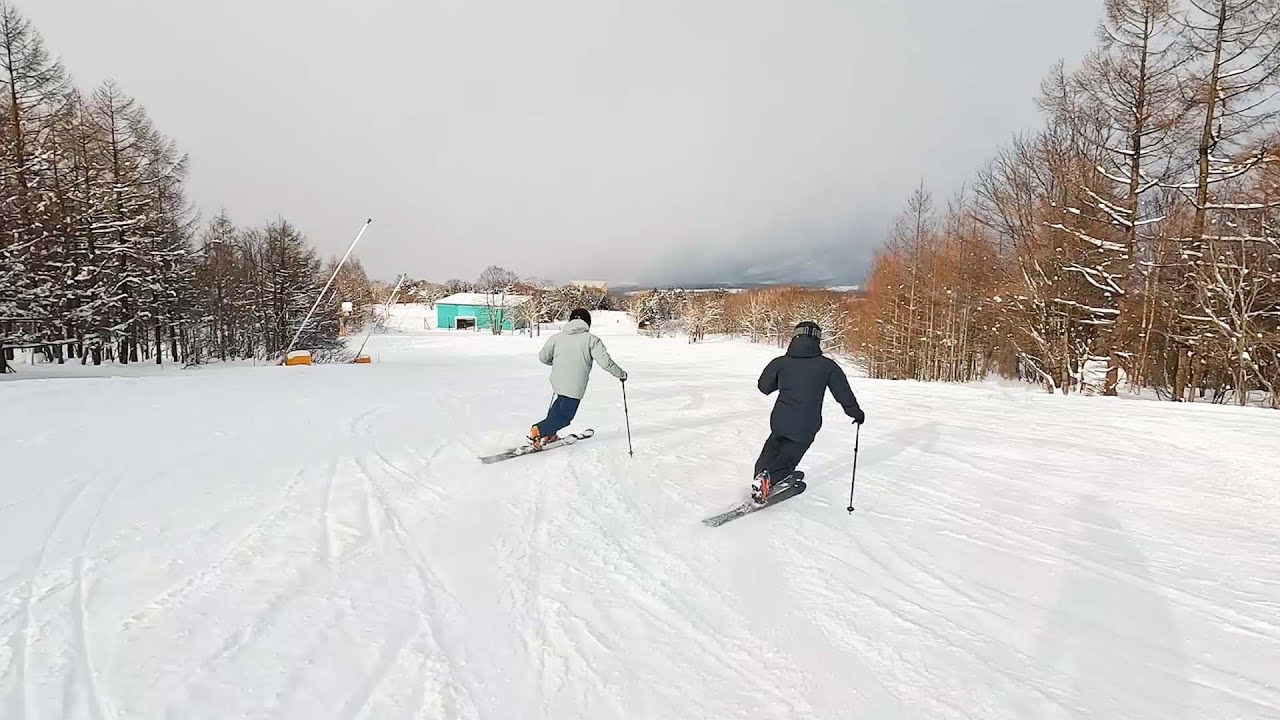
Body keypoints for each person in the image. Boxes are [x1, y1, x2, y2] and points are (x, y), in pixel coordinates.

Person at [753, 321, 864, 502]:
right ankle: (768, 479)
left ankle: (760, 477)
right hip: (806, 423)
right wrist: (856, 413)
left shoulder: (780, 363)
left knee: (773, 448)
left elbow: (764, 387)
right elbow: (843, 394)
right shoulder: (827, 366)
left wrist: (783, 380)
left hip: (780, 419)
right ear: (817, 339)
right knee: (788, 457)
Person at [529, 308, 628, 448]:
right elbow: (605, 362)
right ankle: (538, 430)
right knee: (565, 417)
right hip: (575, 385)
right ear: (587, 322)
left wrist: (557, 361)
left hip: (557, 382)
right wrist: (621, 374)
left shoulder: (557, 338)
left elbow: (543, 357)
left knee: (557, 409)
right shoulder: (592, 340)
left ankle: (549, 435)